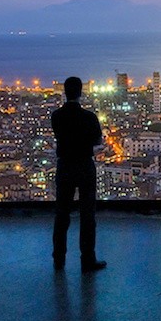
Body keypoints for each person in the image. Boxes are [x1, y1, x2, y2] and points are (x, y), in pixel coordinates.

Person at [51, 76, 106, 271]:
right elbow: (98, 141)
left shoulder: (56, 116)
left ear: (64, 92)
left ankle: (59, 258)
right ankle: (87, 259)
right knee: (87, 214)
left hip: (65, 166)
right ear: (81, 93)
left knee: (62, 213)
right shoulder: (89, 117)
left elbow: (58, 136)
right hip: (84, 165)